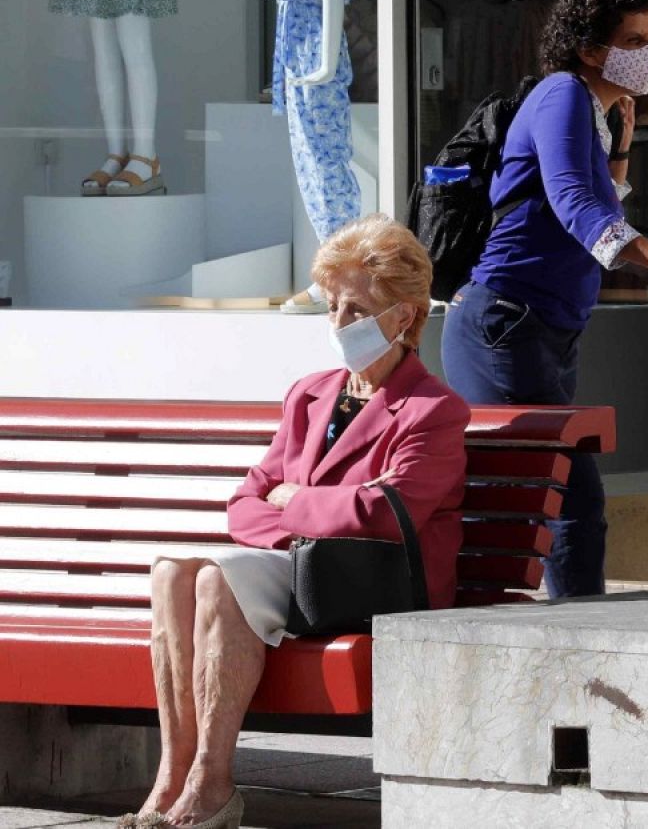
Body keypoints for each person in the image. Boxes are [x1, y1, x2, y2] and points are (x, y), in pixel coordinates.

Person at [128, 215, 469, 829]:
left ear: (404, 318)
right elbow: (245, 504)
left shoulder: (433, 410)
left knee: (216, 578)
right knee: (172, 571)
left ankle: (210, 781)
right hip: (302, 570)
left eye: (356, 309)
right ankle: (173, 775)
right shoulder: (310, 394)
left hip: (374, 583)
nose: (338, 322)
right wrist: (310, 517)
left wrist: (295, 501)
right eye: (332, 306)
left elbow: (385, 514)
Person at [441, 0, 648, 599]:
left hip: (542, 329)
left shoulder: (591, 108)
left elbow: (584, 206)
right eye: (633, 41)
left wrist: (617, 149)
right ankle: (566, 635)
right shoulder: (562, 94)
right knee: (565, 499)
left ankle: (547, 628)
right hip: (506, 325)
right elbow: (574, 205)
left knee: (548, 499)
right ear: (590, 48)